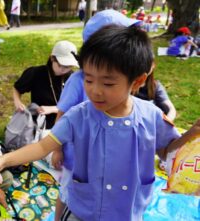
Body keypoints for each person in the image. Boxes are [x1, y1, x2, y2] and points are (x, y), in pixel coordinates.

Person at [0, 25, 200, 221]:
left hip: (128, 213)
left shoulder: (151, 116)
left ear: (137, 81)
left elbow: (168, 151)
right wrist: (1, 160)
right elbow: (42, 147)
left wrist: (191, 134)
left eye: (108, 83)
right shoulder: (79, 116)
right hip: (84, 211)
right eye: (89, 79)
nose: (95, 90)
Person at [51, 9, 142, 221]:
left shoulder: (122, 79)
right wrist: (57, 149)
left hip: (105, 159)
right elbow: (62, 116)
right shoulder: (77, 81)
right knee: (67, 193)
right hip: (76, 159)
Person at [13, 40, 79, 130]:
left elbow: (77, 104)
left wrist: (53, 109)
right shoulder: (36, 73)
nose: (63, 70)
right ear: (52, 58)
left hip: (66, 119)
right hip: (40, 121)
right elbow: (17, 88)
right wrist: (18, 102)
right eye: (60, 65)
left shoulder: (73, 78)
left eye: (68, 67)